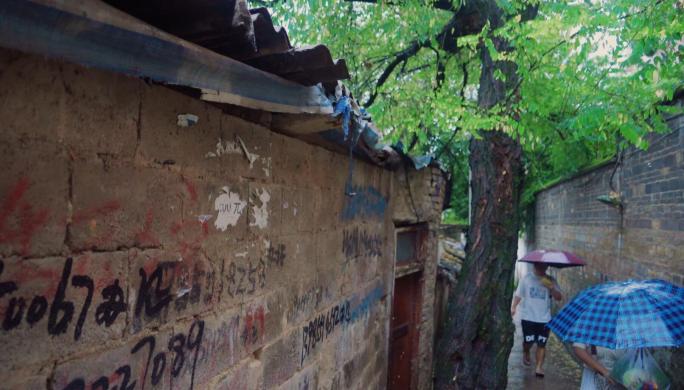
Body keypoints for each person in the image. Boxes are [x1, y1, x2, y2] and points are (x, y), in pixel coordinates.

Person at [510, 263, 563, 377]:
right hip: (528, 317)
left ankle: (539, 367)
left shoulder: (550, 280)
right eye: (540, 266)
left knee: (541, 344)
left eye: (545, 266)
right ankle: (526, 351)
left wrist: (552, 288)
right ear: (535, 266)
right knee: (528, 342)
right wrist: (514, 307)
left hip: (545, 319)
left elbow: (559, 298)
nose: (543, 268)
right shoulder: (526, 279)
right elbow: (518, 295)